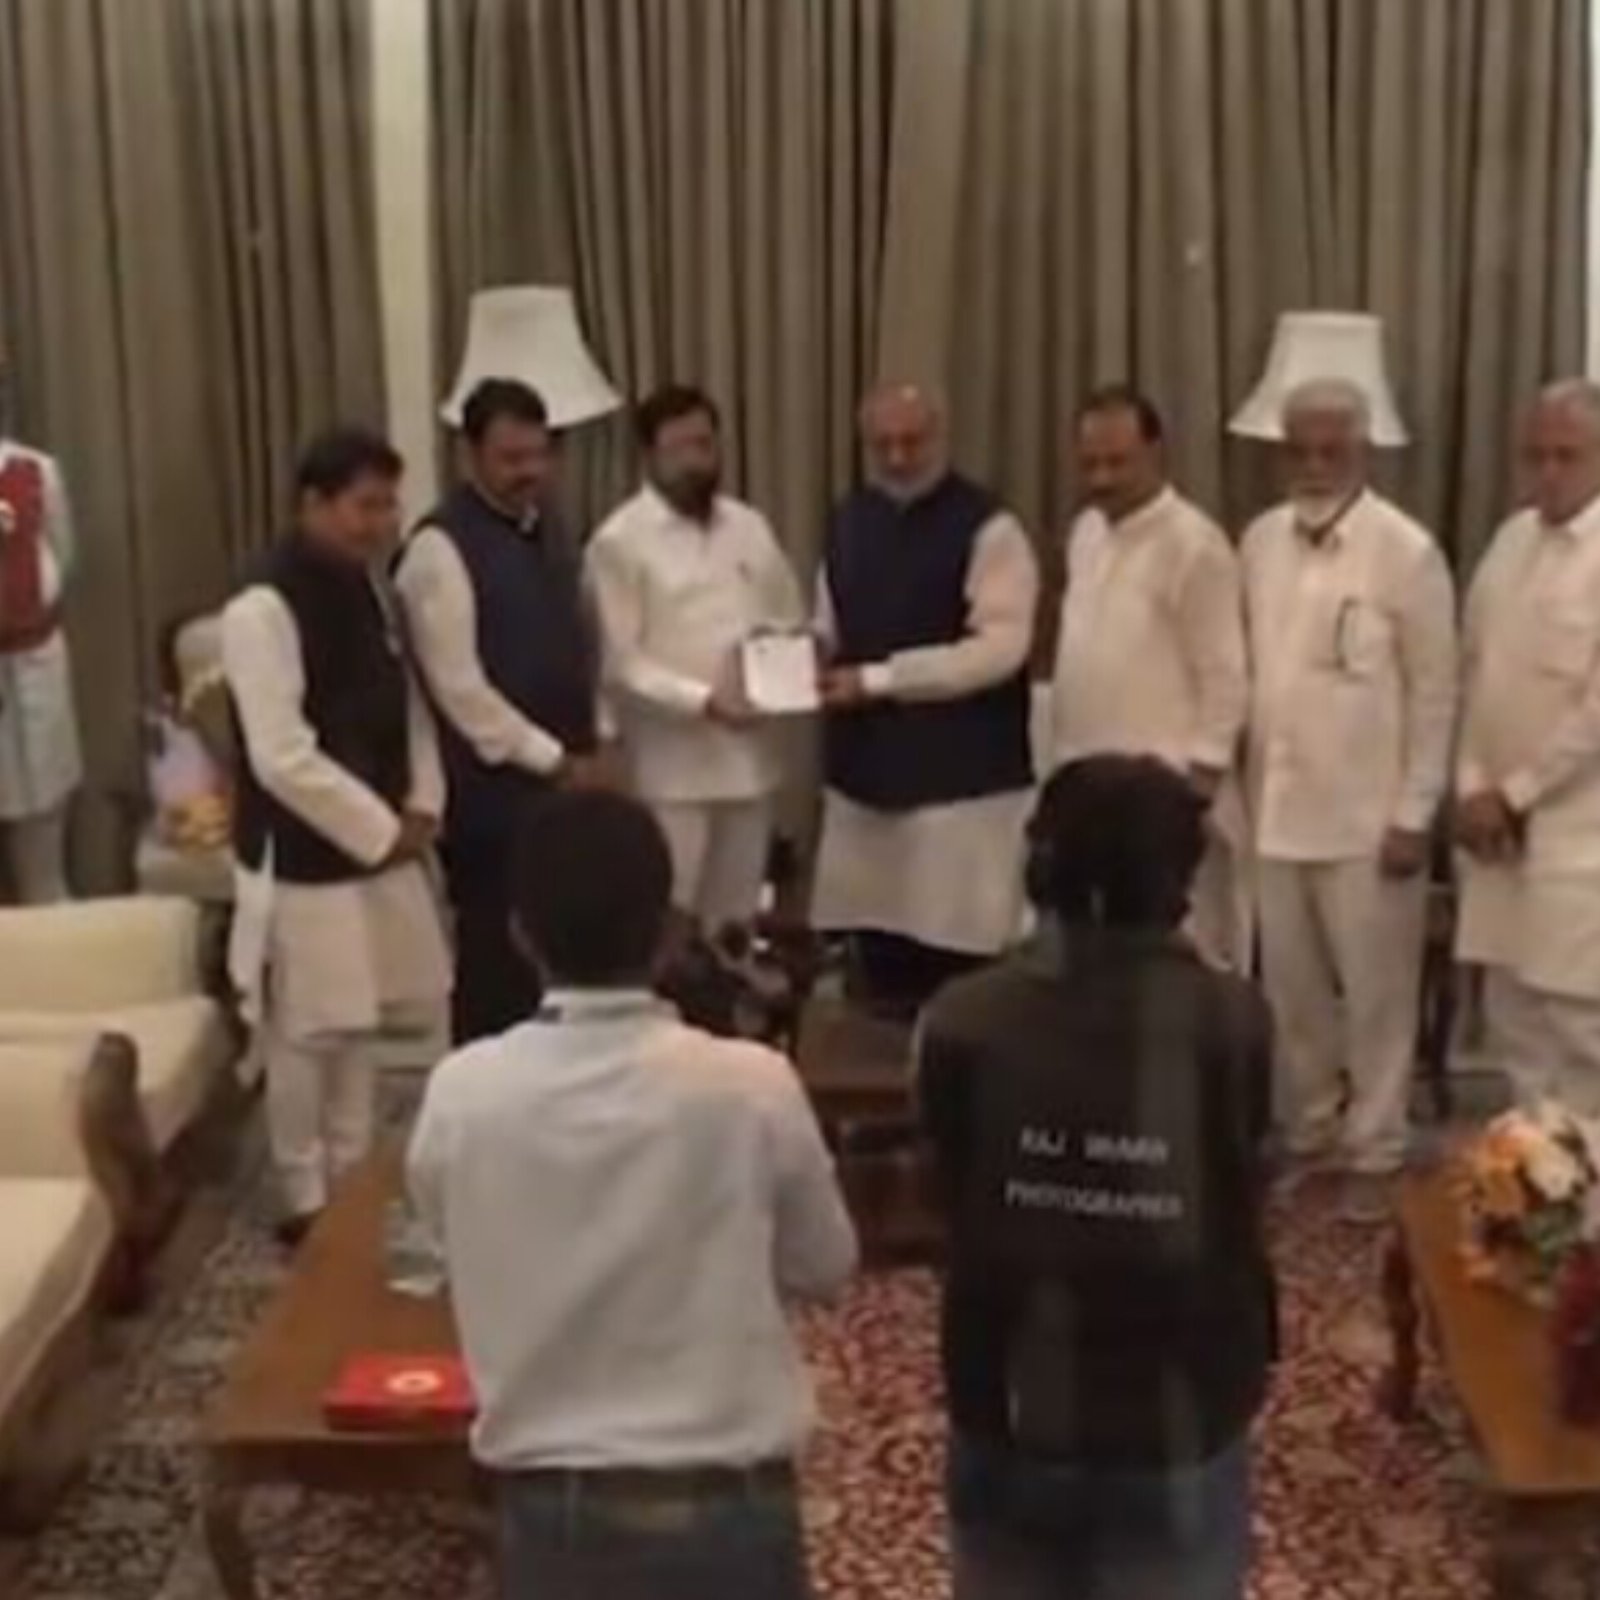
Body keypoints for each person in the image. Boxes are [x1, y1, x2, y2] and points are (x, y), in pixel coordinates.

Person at [407, 788, 856, 1600]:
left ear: (520, 935)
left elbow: (444, 1254)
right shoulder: (752, 1085)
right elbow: (825, 1265)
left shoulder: (462, 1093)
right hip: (730, 1507)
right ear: (667, 934)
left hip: (554, 1517)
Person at [918, 755, 1276, 1600]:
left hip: (1007, 1395)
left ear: (1037, 864)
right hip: (1176, 1411)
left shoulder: (963, 1017)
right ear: (1182, 882)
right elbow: (1254, 1179)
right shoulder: (1233, 1021)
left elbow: (947, 1186)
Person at [225, 428, 451, 1246]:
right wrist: (379, 830)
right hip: (303, 853)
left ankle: (352, 1182)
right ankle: (303, 1193)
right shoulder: (260, 607)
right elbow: (280, 755)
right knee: (306, 1031)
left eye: (390, 505)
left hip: (380, 840)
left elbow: (409, 702)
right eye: (365, 506)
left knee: (360, 1018)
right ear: (314, 504)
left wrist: (423, 801)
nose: (381, 523)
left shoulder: (371, 587)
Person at [1241, 379, 1457, 1222]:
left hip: (1370, 822)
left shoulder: (1406, 552)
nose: (1314, 466)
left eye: (1331, 451)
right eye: (1299, 451)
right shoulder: (1259, 541)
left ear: (1363, 452)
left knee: (1377, 998)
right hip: (1275, 812)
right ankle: (1313, 1134)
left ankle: (1377, 1149)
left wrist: (1415, 813)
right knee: (1292, 997)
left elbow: (1436, 693)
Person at [811, 384, 1039, 1016]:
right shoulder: (849, 518)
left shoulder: (990, 527)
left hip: (961, 788)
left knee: (957, 968)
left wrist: (883, 680)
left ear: (940, 437)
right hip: (865, 779)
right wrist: (806, 655)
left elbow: (1001, 648)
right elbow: (828, 621)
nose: (898, 457)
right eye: (882, 444)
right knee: (875, 966)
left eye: (911, 442)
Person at [396, 378, 605, 1042]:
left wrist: (596, 742)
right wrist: (555, 761)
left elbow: (580, 644)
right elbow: (460, 689)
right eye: (511, 459)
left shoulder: (551, 529)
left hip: (561, 784)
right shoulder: (438, 549)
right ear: (469, 455)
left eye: (539, 456)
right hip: (491, 799)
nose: (529, 472)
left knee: (560, 960)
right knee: (498, 968)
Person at [586, 384, 804, 929]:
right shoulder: (619, 542)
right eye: (678, 449)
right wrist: (705, 701)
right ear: (648, 456)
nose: (694, 461)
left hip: (751, 762)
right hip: (671, 773)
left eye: (704, 445)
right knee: (670, 921)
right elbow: (619, 661)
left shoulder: (749, 526)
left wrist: (784, 665)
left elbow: (787, 616)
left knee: (736, 922)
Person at [1050, 385, 1251, 968]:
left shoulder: (1195, 545)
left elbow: (1225, 675)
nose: (1103, 478)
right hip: (1089, 788)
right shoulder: (1087, 532)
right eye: (1090, 464)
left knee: (1179, 959)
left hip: (1165, 796)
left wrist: (1197, 791)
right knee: (1094, 958)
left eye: (1118, 462)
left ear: (1157, 454)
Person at [1456, 381, 1600, 1113]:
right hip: (1496, 838)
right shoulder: (1510, 542)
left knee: (1579, 1031)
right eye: (1535, 455)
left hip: (1578, 840)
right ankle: (1532, 1175)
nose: (1548, 472)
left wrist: (1515, 795)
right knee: (1513, 1023)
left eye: (1566, 456)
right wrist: (1472, 787)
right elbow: (1475, 672)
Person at [0, 345, 83, 902]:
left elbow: (62, 552)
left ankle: (51, 916)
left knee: (43, 815)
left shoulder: (35, 471)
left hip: (35, 662)